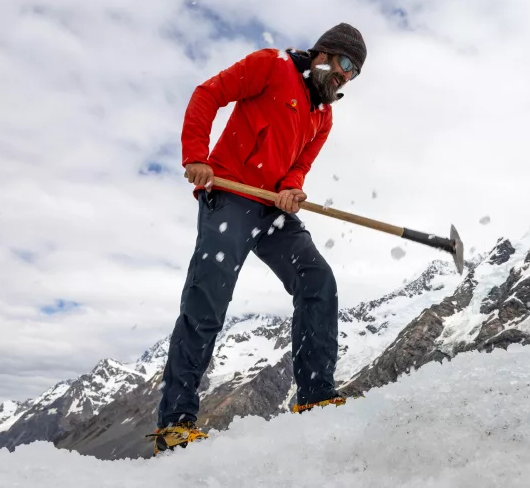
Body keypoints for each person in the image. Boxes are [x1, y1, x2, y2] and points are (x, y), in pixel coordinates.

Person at [149, 23, 367, 454]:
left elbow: (299, 164)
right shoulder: (272, 65)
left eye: (354, 74)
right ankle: (174, 424)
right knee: (208, 298)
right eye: (343, 64)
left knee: (317, 282)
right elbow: (206, 94)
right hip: (229, 195)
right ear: (323, 52)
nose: (344, 77)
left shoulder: (323, 115)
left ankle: (315, 398)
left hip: (271, 208)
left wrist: (292, 187)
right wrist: (195, 155)